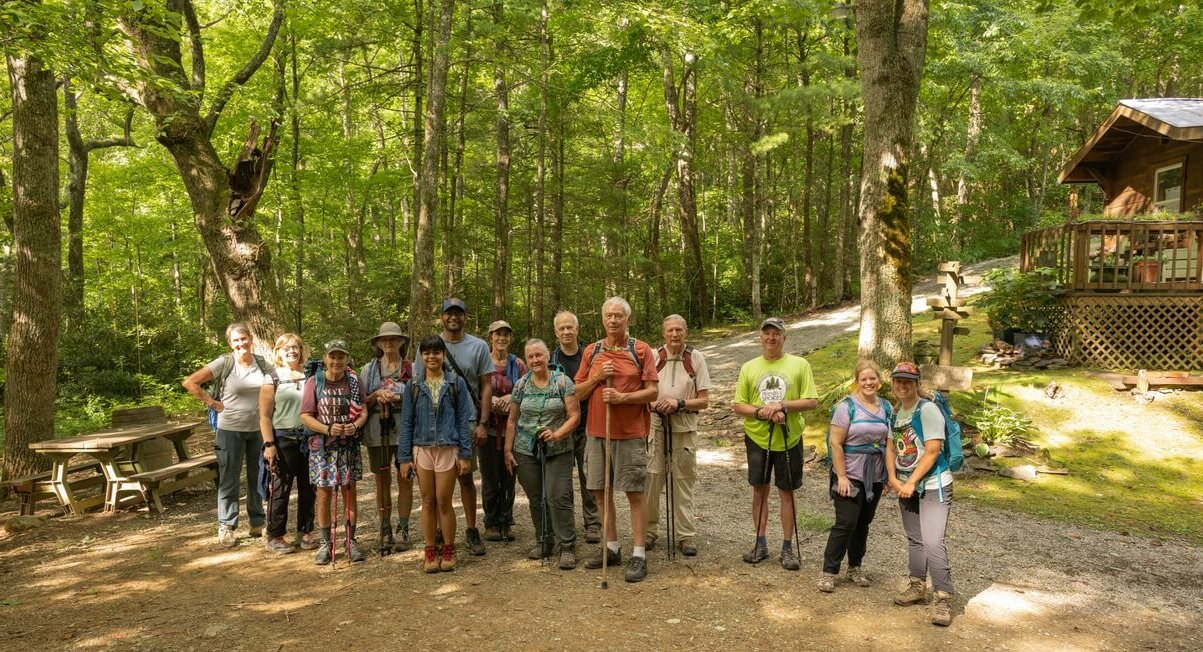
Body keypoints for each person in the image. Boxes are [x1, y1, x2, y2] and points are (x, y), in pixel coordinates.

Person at [573, 297, 659, 583]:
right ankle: (611, 548)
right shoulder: (592, 351)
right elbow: (578, 392)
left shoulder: (641, 350)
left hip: (630, 433)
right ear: (602, 319)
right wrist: (597, 377)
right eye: (608, 316)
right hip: (597, 433)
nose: (613, 320)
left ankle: (638, 554)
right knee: (599, 491)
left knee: (634, 493)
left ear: (627, 320)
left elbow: (652, 393)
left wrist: (623, 398)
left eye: (618, 316)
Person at [731, 317, 818, 571]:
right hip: (758, 438)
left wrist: (783, 405)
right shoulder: (749, 367)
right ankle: (760, 543)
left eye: (776, 334)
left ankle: (788, 547)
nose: (771, 338)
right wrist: (762, 412)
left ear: (784, 338)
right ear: (760, 337)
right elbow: (738, 405)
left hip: (789, 437)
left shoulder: (799, 365)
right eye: (767, 333)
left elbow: (812, 401)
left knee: (786, 491)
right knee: (760, 489)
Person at [183, 322, 276, 548]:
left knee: (258, 476)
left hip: (258, 430)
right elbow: (190, 382)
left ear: (251, 338)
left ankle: (257, 522)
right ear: (230, 343)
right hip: (229, 429)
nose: (241, 343)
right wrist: (212, 402)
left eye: (244, 338)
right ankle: (227, 526)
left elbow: (278, 385)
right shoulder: (224, 363)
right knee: (229, 478)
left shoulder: (263, 364)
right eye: (236, 340)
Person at [886, 361, 956, 627]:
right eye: (898, 381)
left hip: (934, 484)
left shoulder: (927, 410)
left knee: (933, 541)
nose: (902, 385)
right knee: (915, 538)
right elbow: (891, 448)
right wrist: (893, 478)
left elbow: (933, 450)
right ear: (893, 384)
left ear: (917, 384)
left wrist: (912, 481)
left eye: (907, 381)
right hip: (906, 484)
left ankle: (943, 597)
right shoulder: (896, 413)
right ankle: (917, 585)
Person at [399, 335, 474, 573]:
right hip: (422, 448)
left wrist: (465, 454)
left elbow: (463, 420)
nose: (432, 357)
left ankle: (449, 549)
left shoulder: (455, 384)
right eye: (427, 352)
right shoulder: (414, 385)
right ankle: (430, 551)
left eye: (437, 352)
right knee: (427, 501)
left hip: (447, 447)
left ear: (443, 355)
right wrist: (404, 458)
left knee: (444, 500)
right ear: (421, 356)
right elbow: (407, 422)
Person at [504, 338, 581, 569]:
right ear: (526, 360)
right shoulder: (521, 385)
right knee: (536, 497)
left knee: (558, 495)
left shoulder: (562, 382)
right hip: (526, 449)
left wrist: (557, 434)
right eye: (531, 356)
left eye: (539, 355)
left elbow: (575, 416)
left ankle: (566, 545)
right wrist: (508, 450)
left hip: (559, 449)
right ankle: (544, 539)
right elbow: (512, 420)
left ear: (548, 357)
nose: (536, 360)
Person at [818, 359, 892, 592]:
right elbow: (836, 443)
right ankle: (829, 572)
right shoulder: (846, 407)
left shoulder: (887, 408)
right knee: (846, 522)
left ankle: (855, 567)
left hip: (875, 476)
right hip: (849, 473)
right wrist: (841, 476)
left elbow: (890, 443)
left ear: (879, 381)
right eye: (864, 379)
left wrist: (890, 475)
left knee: (863, 523)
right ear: (857, 381)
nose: (869, 382)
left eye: (873, 378)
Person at [299, 339, 369, 565]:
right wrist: (328, 428)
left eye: (341, 356)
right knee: (323, 493)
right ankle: (325, 543)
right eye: (333, 356)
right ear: (325, 357)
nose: (336, 361)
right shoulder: (314, 382)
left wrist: (355, 426)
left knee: (349, 491)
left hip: (348, 445)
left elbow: (363, 410)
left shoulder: (354, 380)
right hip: (322, 447)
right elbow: (306, 416)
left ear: (347, 358)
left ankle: (351, 540)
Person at [646, 314, 711, 557]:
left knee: (683, 481)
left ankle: (685, 536)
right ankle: (649, 533)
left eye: (679, 330)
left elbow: (704, 400)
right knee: (652, 480)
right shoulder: (653, 357)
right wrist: (656, 405)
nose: (675, 335)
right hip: (655, 426)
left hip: (684, 427)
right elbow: (644, 393)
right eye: (670, 330)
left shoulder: (695, 358)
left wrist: (679, 403)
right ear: (664, 333)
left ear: (686, 332)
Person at [439, 297, 493, 556]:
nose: (454, 318)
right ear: (441, 317)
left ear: (465, 317)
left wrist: (483, 422)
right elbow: (418, 384)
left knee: (466, 477)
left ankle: (472, 530)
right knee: (440, 479)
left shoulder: (479, 346)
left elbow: (486, 385)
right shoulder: (431, 346)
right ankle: (441, 528)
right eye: (449, 313)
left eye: (458, 313)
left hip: (468, 421)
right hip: (437, 424)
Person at [257, 333, 318, 554]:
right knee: (280, 489)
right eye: (287, 348)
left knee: (309, 487)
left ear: (302, 351)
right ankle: (275, 535)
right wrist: (268, 444)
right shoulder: (272, 377)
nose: (292, 351)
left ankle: (305, 530)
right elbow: (264, 416)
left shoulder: (311, 375)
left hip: (309, 438)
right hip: (282, 439)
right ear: (279, 352)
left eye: (296, 347)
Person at [361, 322, 414, 554]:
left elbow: (417, 395)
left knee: (405, 478)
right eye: (385, 339)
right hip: (377, 430)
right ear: (379, 343)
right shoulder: (368, 369)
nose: (389, 342)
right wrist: (376, 395)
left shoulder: (412, 369)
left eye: (394, 339)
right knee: (382, 480)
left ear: (401, 342)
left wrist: (397, 396)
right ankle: (385, 527)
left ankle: (403, 529)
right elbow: (361, 401)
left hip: (405, 429)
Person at [550, 310, 601, 544]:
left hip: (588, 424)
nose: (566, 331)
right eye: (562, 328)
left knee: (589, 476)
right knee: (563, 479)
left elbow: (593, 389)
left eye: (570, 327)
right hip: (561, 426)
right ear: (556, 332)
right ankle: (566, 524)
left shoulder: (589, 356)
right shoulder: (551, 360)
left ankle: (593, 523)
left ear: (577, 330)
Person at [482, 320, 525, 541]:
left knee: (509, 475)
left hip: (511, 429)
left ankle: (506, 519)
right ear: (490, 336)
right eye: (497, 334)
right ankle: (491, 521)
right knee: (490, 476)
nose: (502, 338)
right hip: (488, 429)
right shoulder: (482, 362)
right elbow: (474, 390)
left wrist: (511, 398)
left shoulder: (517, 365)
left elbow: (527, 388)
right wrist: (490, 401)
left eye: (506, 335)